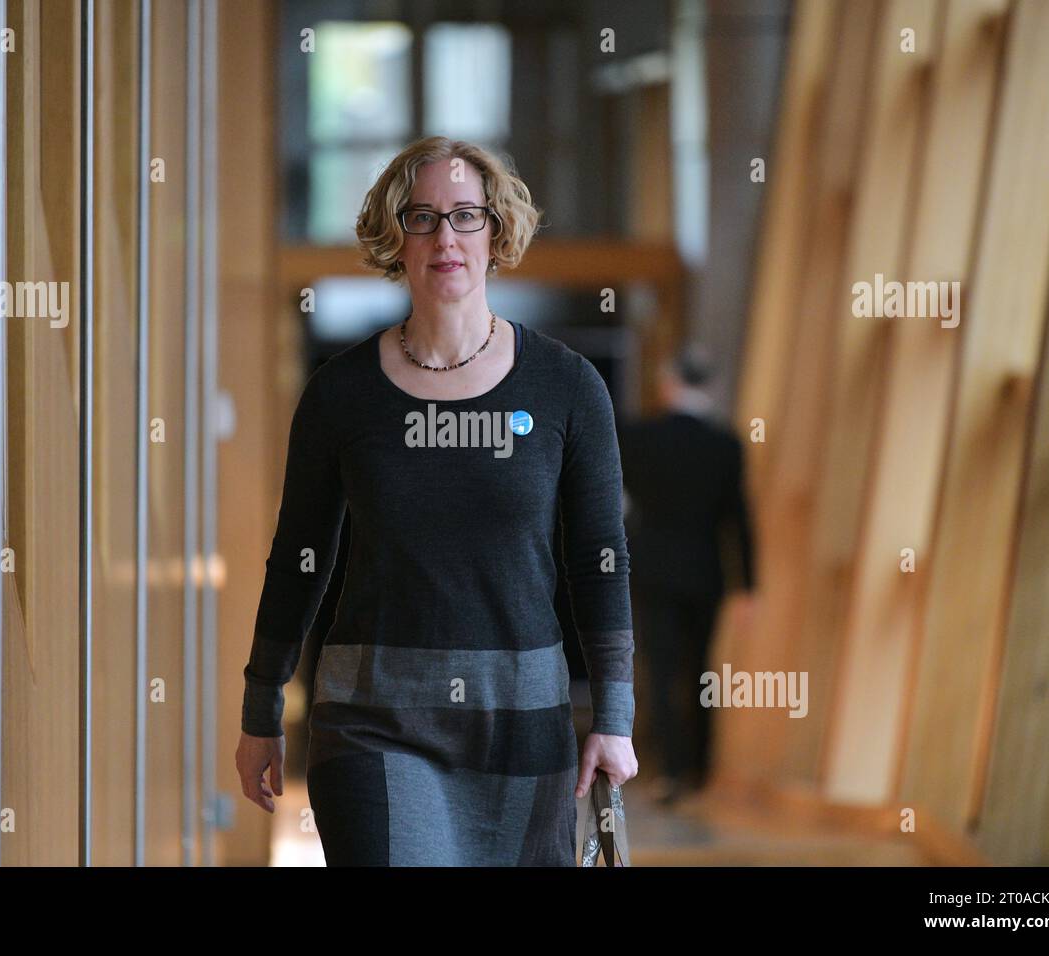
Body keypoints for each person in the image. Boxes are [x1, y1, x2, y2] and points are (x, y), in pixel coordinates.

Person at [235, 135, 638, 866]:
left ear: (497, 232)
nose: (444, 236)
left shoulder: (568, 387)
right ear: (396, 236)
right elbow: (298, 560)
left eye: (465, 216)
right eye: (421, 217)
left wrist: (614, 717)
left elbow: (599, 562)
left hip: (521, 727)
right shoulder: (342, 393)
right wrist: (262, 703)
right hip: (373, 723)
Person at [617, 345, 756, 805]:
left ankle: (670, 770)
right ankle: (702, 767)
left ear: (668, 383)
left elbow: (619, 499)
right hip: (706, 572)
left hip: (653, 570)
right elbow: (738, 517)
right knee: (700, 669)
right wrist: (748, 584)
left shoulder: (639, 437)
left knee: (659, 668)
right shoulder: (726, 443)